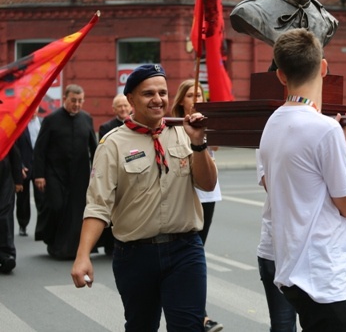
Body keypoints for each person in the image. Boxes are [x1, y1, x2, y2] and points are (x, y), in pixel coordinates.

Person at [70, 64, 218, 331]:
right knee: (141, 326)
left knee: (189, 327)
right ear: (131, 99)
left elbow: (208, 185)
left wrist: (199, 144)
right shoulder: (113, 144)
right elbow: (97, 205)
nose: (158, 99)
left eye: (162, 92)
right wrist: (83, 255)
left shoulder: (185, 134)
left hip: (185, 250)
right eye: (148, 93)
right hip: (135, 255)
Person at [258, 28, 346, 332]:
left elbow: (300, 182)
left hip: (292, 270)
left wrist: (343, 145)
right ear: (323, 67)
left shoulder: (273, 123)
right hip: (324, 278)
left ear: (281, 75)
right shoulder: (324, 129)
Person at [171, 79, 224, 332]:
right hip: (183, 194)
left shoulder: (206, 120)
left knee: (196, 253)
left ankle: (197, 314)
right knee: (188, 255)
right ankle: (198, 315)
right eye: (191, 94)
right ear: (182, 100)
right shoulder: (173, 125)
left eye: (200, 94)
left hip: (207, 195)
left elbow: (214, 146)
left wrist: (205, 126)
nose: (195, 98)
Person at [33, 84, 97, 259]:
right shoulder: (51, 120)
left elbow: (95, 147)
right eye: (73, 100)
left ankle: (70, 248)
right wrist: (39, 175)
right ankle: (52, 240)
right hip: (55, 173)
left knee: (76, 212)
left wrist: (97, 172)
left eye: (80, 101)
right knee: (56, 207)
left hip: (80, 174)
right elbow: (40, 150)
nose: (76, 104)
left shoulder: (87, 119)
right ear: (64, 99)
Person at [256, 151, 298, 332]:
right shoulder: (270, 132)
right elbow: (270, 184)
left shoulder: (326, 131)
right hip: (277, 248)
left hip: (318, 251)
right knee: (283, 326)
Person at [95, 93, 132, 256]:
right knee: (112, 210)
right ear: (114, 109)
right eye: (120, 106)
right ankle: (111, 245)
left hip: (131, 172)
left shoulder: (136, 125)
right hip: (114, 173)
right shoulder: (106, 127)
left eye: (125, 105)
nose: (123, 109)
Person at [14, 112, 42, 237]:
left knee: (42, 198)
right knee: (23, 199)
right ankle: (23, 225)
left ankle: (42, 227)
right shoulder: (19, 124)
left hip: (39, 167)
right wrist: (19, 166)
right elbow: (14, 147)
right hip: (24, 167)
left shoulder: (42, 122)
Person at [0, 145, 22, 273]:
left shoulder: (4, 126)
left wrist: (18, 179)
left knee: (5, 214)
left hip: (5, 176)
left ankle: (6, 254)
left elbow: (14, 151)